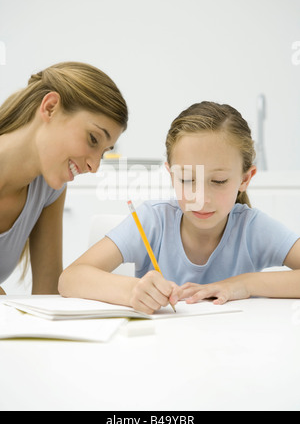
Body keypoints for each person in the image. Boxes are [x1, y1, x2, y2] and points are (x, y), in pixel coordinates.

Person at [58, 101, 300, 313]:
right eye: (186, 180)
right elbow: (70, 279)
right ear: (171, 175)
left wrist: (245, 284)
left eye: (218, 181)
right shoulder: (153, 221)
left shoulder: (252, 228)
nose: (200, 198)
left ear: (245, 179)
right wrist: (132, 290)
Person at [0, 61, 128, 295]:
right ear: (50, 108)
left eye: (104, 152)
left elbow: (47, 293)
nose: (94, 166)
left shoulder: (48, 189)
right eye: (92, 139)